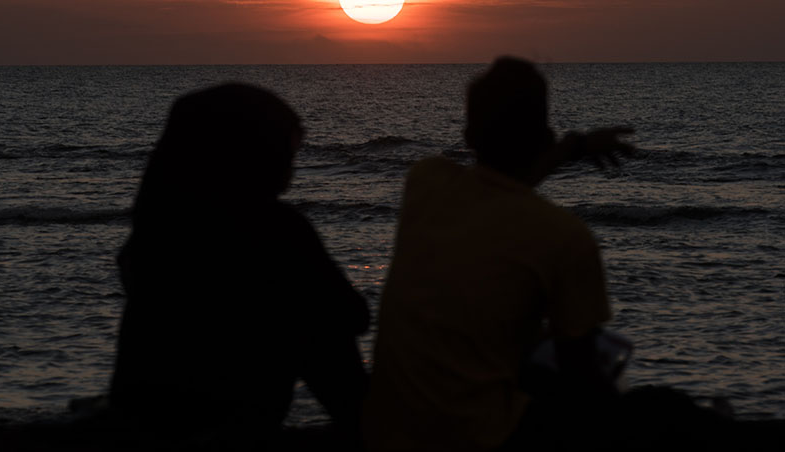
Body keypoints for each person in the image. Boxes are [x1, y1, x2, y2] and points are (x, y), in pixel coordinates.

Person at [361, 57, 634, 452]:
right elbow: (581, 378)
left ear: (469, 134)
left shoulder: (425, 181)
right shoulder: (564, 236)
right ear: (544, 135)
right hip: (478, 439)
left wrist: (570, 149)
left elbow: (503, 188)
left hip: (385, 433)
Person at [108, 83, 369, 449]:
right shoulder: (274, 228)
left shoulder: (156, 235)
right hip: (229, 424)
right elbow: (351, 316)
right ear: (251, 151)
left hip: (143, 422)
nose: (292, 165)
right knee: (315, 323)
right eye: (285, 149)